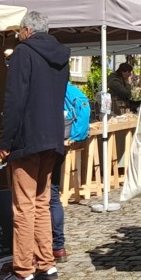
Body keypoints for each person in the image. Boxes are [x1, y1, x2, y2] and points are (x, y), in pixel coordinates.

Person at [0, 10, 70, 280]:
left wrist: (5, 142)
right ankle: (46, 266)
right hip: (51, 137)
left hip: (27, 139)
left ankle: (23, 271)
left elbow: (14, 101)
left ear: (26, 31)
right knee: (40, 204)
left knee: (24, 207)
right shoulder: (61, 57)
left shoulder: (23, 54)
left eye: (19, 32)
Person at [50, 81, 91, 263]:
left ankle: (44, 248)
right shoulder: (70, 88)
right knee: (53, 195)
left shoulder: (47, 87)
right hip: (62, 142)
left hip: (45, 143)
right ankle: (58, 246)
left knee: (41, 197)